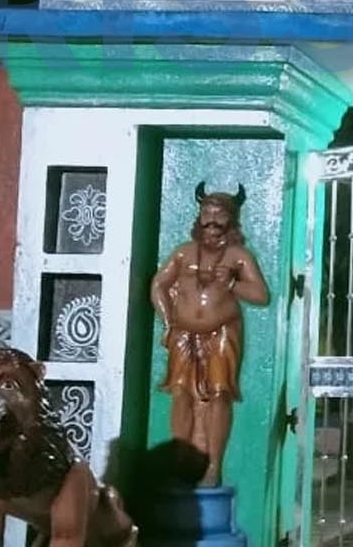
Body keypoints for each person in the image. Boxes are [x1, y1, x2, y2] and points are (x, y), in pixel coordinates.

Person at [150, 183, 271, 487]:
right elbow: (158, 286)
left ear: (231, 219)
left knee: (219, 394)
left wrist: (232, 284)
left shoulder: (238, 256)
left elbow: (261, 295)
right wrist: (167, 321)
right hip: (182, 333)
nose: (212, 220)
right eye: (207, 212)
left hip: (222, 332)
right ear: (199, 216)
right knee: (180, 392)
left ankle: (213, 465)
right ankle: (180, 460)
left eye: (220, 214)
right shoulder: (183, 253)